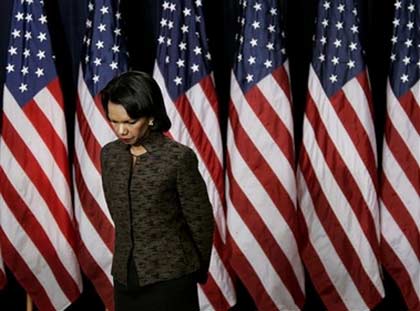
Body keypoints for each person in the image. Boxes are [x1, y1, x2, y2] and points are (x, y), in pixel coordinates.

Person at [100, 71, 214, 311]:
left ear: (150, 117)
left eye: (130, 122)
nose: (121, 131)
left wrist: (194, 269)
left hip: (171, 279)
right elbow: (118, 212)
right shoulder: (109, 155)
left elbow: (200, 221)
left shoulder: (178, 158)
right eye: (114, 121)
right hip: (125, 277)